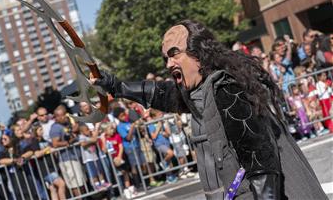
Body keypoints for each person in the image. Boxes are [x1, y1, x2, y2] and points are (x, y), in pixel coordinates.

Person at [90, 20, 327, 200]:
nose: (168, 63)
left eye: (174, 54)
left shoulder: (227, 89)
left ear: (199, 54)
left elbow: (261, 163)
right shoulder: (202, 91)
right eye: (165, 58)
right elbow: (163, 94)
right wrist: (116, 86)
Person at [50, 105, 85, 197]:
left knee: (81, 182)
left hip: (75, 156)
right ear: (56, 117)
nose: (64, 117)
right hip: (67, 159)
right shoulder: (55, 128)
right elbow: (55, 143)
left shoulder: (66, 124)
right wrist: (68, 142)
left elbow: (72, 132)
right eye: (62, 115)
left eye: (65, 114)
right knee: (75, 184)